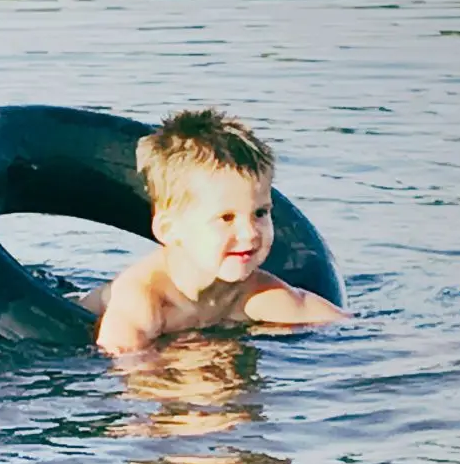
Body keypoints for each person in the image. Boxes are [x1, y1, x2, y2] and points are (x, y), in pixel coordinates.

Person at [79, 107, 348, 356]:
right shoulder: (143, 296)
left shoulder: (250, 292)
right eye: (226, 218)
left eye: (260, 213)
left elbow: (337, 323)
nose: (250, 233)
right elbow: (122, 366)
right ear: (169, 229)